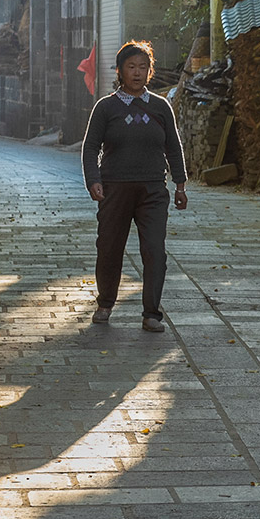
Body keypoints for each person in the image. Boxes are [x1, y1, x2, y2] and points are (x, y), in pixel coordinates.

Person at [82, 40, 188, 333]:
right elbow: (90, 148)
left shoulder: (160, 106)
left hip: (153, 190)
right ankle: (105, 302)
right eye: (131, 67)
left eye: (143, 67)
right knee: (109, 248)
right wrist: (94, 180)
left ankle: (151, 313)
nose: (137, 73)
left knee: (155, 249)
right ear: (120, 70)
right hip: (115, 189)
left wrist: (179, 183)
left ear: (150, 71)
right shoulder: (106, 108)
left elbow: (173, 147)